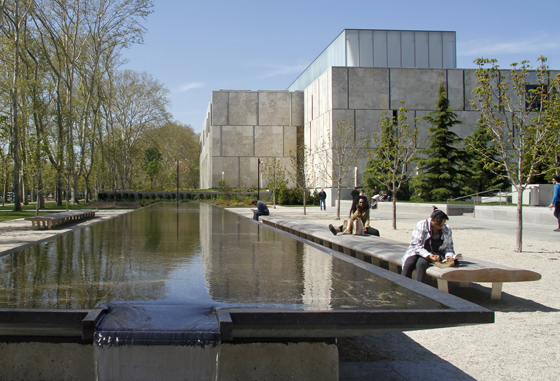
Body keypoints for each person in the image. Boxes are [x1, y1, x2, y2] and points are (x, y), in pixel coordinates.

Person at [402, 207, 458, 283]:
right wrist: (428, 255)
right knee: (409, 263)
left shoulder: (446, 229)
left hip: (436, 254)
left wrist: (449, 255)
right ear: (432, 220)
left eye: (442, 224)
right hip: (418, 251)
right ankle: (403, 285)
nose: (440, 227)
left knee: (421, 264)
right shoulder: (422, 225)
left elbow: (448, 247)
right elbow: (415, 245)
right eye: (438, 225)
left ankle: (419, 288)